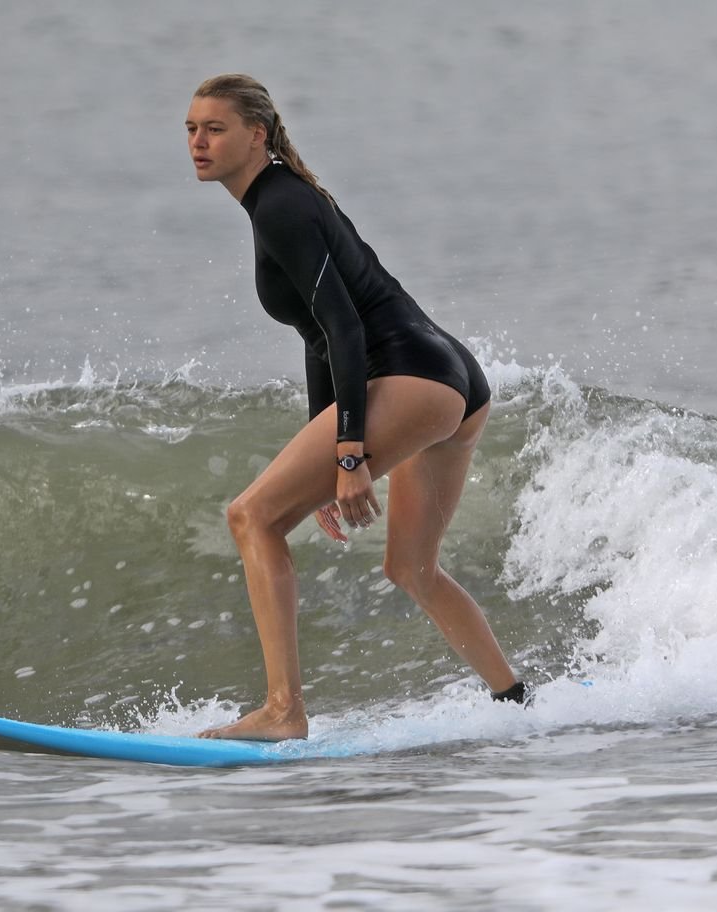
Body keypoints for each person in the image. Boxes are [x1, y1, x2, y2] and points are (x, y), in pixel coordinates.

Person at [186, 73, 525, 741]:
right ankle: (517, 702)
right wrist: (328, 440)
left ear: (256, 136)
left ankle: (283, 711)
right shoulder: (286, 196)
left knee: (251, 517)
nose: (199, 142)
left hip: (410, 375)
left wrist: (346, 455)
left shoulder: (280, 206)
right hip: (452, 380)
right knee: (411, 568)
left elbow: (343, 328)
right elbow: (319, 336)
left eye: (215, 129)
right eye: (192, 129)